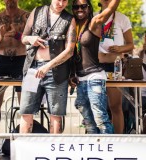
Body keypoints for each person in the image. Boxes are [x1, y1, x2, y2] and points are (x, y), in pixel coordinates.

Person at [19, 0, 76, 134]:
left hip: (56, 71)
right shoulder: (37, 11)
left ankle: (53, 152)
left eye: (64, 0)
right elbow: (23, 37)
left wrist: (48, 66)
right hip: (33, 68)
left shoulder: (69, 19)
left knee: (56, 115)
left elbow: (70, 51)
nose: (61, 3)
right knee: (26, 112)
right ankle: (23, 151)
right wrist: (31, 39)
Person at [69, 0, 120, 134]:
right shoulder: (72, 26)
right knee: (89, 122)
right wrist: (71, 75)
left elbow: (109, 10)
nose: (80, 9)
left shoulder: (93, 23)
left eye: (83, 6)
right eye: (76, 6)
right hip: (80, 79)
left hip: (94, 76)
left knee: (100, 118)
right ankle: (94, 152)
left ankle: (110, 150)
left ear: (89, 8)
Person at [0, 0, 29, 134]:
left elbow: (33, 39)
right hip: (1, 61)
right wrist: (0, 37)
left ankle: (24, 136)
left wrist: (17, 34)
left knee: (23, 102)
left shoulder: (26, 16)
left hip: (21, 59)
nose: (10, 1)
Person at [98, 0, 134, 133]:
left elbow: (131, 45)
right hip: (96, 66)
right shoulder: (94, 17)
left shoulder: (122, 18)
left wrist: (119, 48)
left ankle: (117, 139)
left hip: (115, 66)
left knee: (115, 106)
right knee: (97, 106)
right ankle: (97, 138)